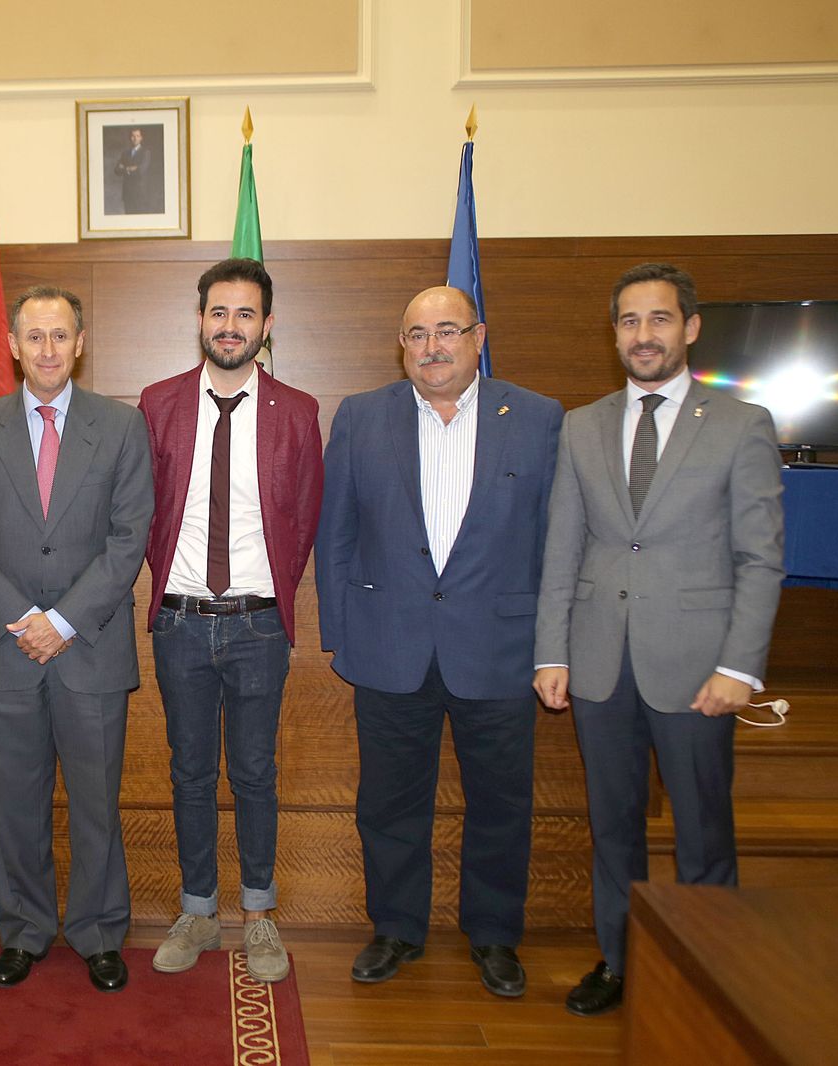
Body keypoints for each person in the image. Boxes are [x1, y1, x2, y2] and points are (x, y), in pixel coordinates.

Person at [534, 263, 784, 1017]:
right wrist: (552, 652)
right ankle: (620, 960)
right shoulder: (582, 425)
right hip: (599, 664)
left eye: (659, 319)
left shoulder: (741, 424)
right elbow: (563, 546)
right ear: (614, 333)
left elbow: (761, 557)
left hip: (700, 667)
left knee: (703, 830)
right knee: (613, 827)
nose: (643, 335)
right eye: (630, 321)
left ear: (691, 328)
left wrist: (740, 666)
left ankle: (707, 974)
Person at [316, 286, 563, 998]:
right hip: (389, 645)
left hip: (501, 649)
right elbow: (336, 533)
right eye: (417, 334)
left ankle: (494, 935)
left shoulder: (539, 417)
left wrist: (553, 644)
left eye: (448, 331)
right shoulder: (363, 416)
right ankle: (396, 928)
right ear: (402, 346)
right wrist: (341, 633)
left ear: (478, 337)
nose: (432, 347)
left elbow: (556, 542)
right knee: (389, 804)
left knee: (501, 805)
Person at [0, 286, 154, 993]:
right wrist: (23, 619)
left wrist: (61, 621)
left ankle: (98, 933)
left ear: (80, 342)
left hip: (89, 648)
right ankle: (25, 931)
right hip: (7, 650)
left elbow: (129, 538)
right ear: (12, 345)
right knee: (15, 804)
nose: (47, 349)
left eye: (60, 335)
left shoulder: (120, 426)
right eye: (33, 336)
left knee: (96, 804)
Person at [138, 258, 322, 983]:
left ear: (266, 325)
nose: (230, 326)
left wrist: (266, 596)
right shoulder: (158, 403)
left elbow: (302, 521)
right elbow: (144, 514)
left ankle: (259, 914)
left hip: (258, 627)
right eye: (219, 312)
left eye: (246, 314)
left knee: (253, 772)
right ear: (200, 320)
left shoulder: (297, 411)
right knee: (189, 772)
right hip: (180, 622)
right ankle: (197, 912)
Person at [113, 127, 159, 214]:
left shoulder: (145, 152)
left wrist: (124, 168)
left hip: (140, 193)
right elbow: (116, 170)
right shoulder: (125, 153)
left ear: (141, 138)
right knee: (128, 218)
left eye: (137, 136)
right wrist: (130, 168)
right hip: (127, 193)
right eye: (133, 136)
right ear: (130, 138)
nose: (135, 138)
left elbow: (141, 171)